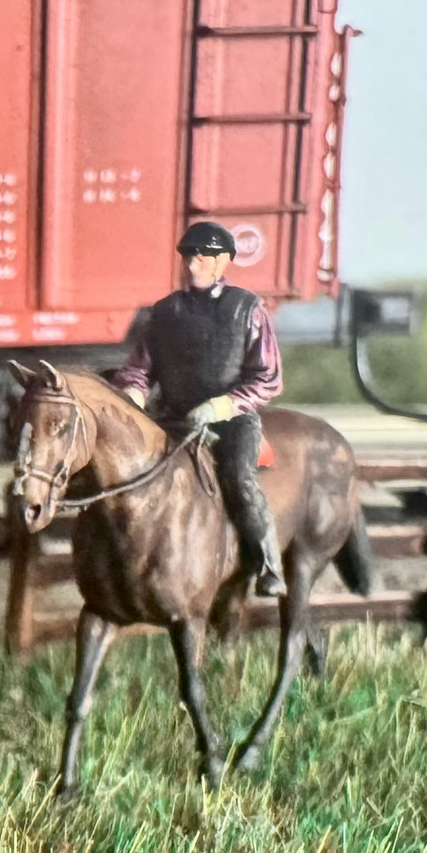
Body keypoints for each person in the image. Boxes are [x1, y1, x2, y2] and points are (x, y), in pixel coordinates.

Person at [111, 220, 287, 597]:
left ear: (222, 261)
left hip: (230, 421)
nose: (192, 264)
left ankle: (267, 562)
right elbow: (138, 368)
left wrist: (222, 405)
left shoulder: (247, 309)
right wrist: (133, 395)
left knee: (239, 481)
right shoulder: (163, 313)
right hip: (171, 418)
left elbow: (267, 377)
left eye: (202, 257)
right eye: (189, 256)